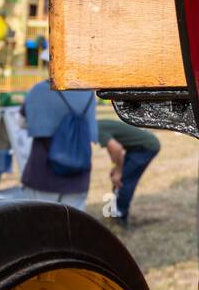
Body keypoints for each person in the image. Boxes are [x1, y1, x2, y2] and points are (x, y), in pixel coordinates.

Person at [19, 79, 97, 210]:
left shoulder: (38, 90)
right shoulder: (89, 92)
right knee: (72, 225)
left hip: (43, 173)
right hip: (79, 175)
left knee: (39, 225)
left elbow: (21, 122)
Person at [97, 118, 160, 228]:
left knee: (123, 181)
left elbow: (116, 148)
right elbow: (112, 148)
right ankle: (115, 212)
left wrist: (119, 171)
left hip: (146, 147)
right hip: (137, 147)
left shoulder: (96, 129)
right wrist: (116, 167)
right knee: (120, 178)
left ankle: (120, 218)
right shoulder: (98, 124)